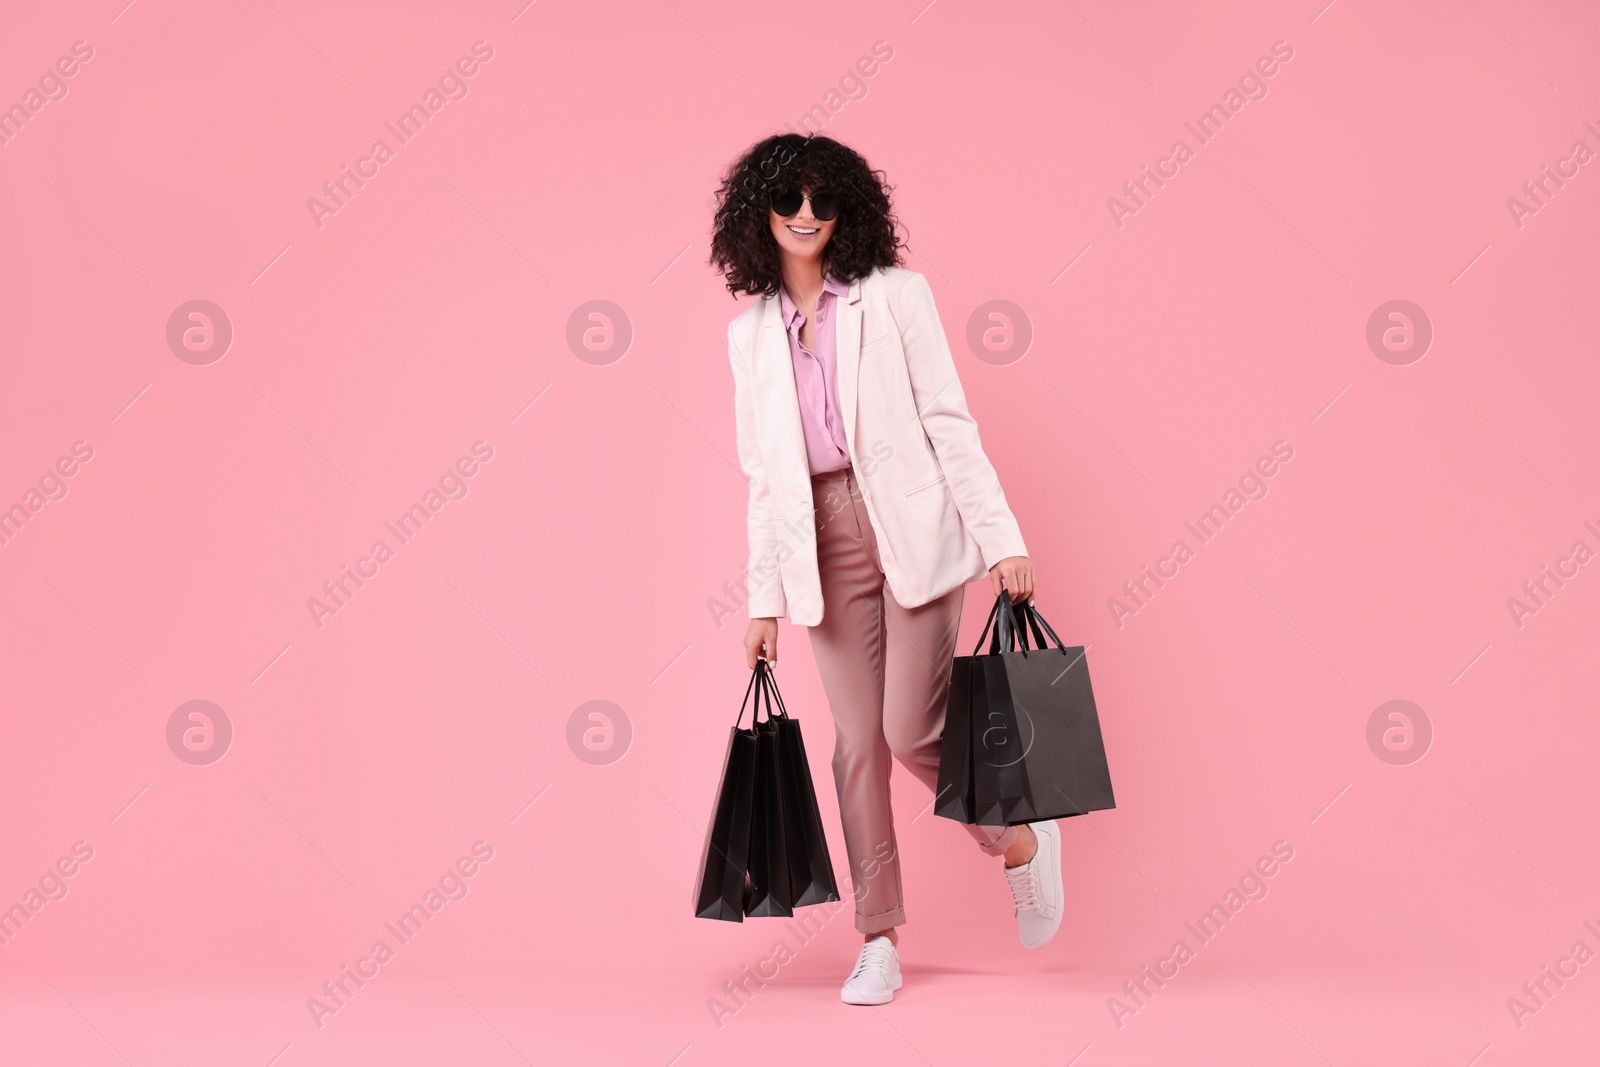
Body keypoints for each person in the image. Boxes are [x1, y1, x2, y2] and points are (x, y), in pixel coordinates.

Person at [710, 133, 1063, 1006]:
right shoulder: (747, 335)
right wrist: (763, 598)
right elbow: (763, 473)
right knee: (855, 746)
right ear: (758, 210)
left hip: (912, 524)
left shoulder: (897, 297)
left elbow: (948, 418)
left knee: (911, 730)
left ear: (848, 212)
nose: (805, 216)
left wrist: (1002, 536)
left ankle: (1017, 838)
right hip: (817, 545)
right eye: (789, 200)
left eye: (824, 202)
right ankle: (879, 937)